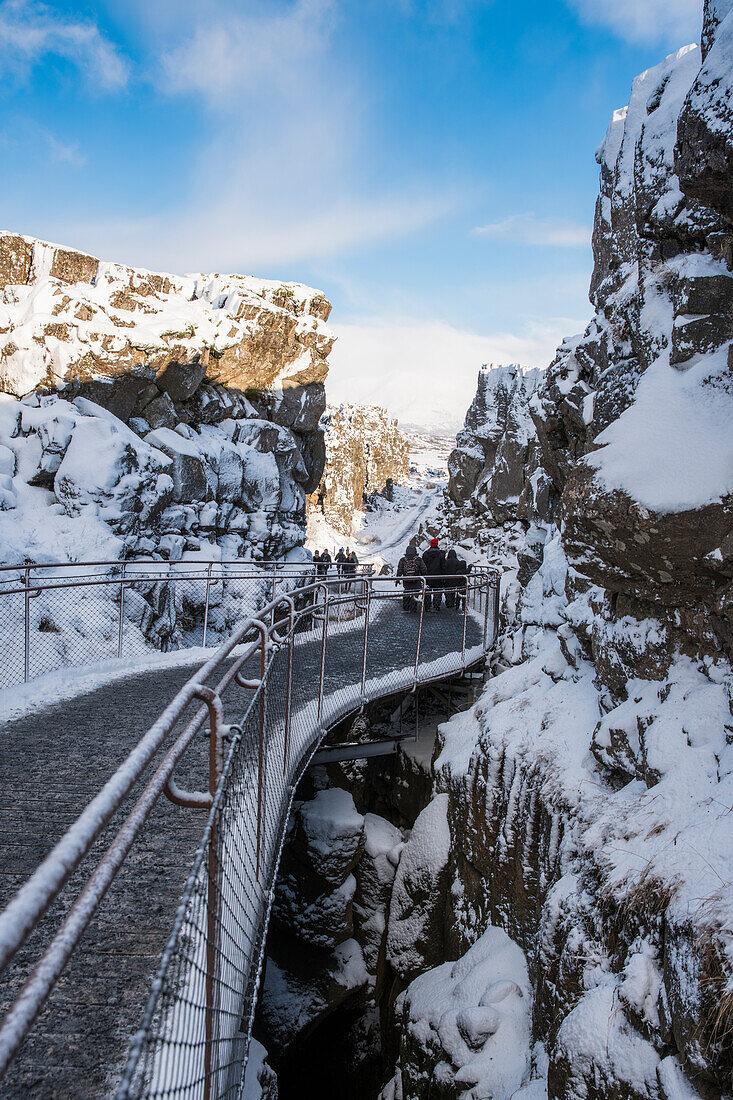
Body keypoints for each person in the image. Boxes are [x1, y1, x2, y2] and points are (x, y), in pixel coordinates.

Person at [396, 544, 426, 613]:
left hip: (406, 581)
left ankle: (406, 607)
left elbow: (400, 570)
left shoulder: (403, 560)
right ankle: (413, 609)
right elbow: (424, 569)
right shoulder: (418, 560)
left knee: (406, 592)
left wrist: (398, 579)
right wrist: (424, 577)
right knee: (415, 594)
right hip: (416, 581)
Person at [422, 537, 446, 611]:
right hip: (438, 576)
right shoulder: (441, 554)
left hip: (428, 576)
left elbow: (423, 565)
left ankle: (427, 606)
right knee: (438, 591)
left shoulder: (426, 554)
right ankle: (436, 605)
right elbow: (443, 566)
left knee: (427, 591)